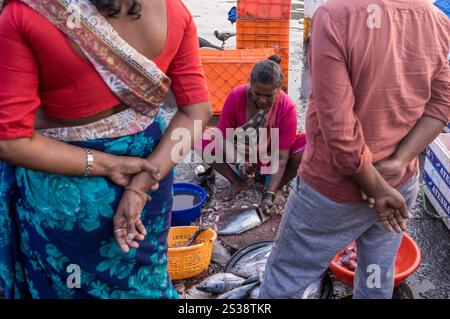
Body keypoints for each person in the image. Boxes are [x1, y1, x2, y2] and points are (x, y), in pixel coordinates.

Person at [0, 0, 212, 299]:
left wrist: (105, 164)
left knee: (68, 288)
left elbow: (10, 141)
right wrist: (141, 186)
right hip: (151, 177)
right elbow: (196, 113)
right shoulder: (173, 10)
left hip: (66, 193)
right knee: (144, 283)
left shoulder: (27, 14)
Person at [260, 0, 449, 299]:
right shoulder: (436, 19)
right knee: (376, 277)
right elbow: (440, 106)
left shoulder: (335, 15)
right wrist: (400, 162)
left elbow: (339, 130)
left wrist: (376, 186)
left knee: (287, 278)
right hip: (398, 185)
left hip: (334, 191)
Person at [202, 56, 306, 215]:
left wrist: (268, 195)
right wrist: (239, 163)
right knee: (197, 136)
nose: (262, 100)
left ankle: (274, 188)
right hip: (241, 152)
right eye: (257, 93)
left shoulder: (287, 107)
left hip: (270, 156)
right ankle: (237, 181)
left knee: (308, 147)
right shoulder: (236, 97)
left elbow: (282, 156)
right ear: (250, 85)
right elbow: (223, 138)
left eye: (269, 96)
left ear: (278, 90)